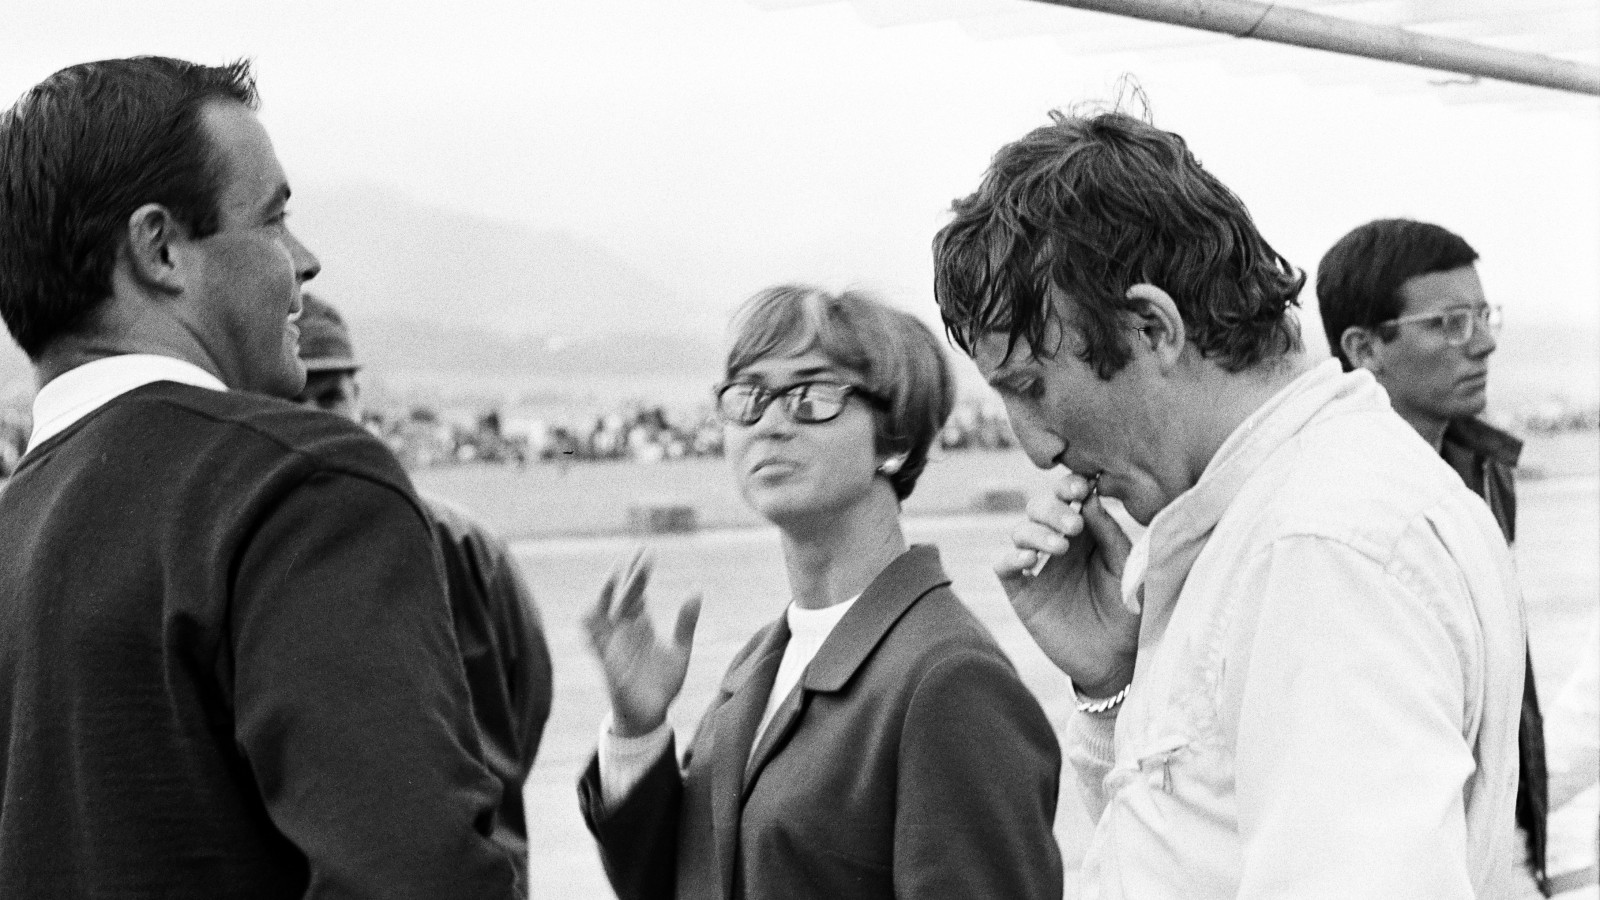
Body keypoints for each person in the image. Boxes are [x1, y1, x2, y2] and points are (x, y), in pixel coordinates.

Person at [932, 109, 1526, 897]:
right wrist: (1115, 687)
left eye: (1031, 387)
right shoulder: (1278, 520)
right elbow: (1194, 849)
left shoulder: (1321, 548)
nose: (1038, 447)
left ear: (1153, 328)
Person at [0, 57, 521, 897]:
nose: (304, 262)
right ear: (161, 248)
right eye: (273, 219)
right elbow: (417, 875)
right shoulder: (300, 488)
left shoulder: (12, 531)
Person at [577, 285, 1063, 900]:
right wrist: (637, 730)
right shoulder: (759, 662)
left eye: (811, 396)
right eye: (748, 397)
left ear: (897, 440)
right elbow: (673, 884)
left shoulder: (949, 679)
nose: (771, 423)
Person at [1317, 217, 1551, 896]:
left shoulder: (1480, 472)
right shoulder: (1340, 512)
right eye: (1450, 323)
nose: (1484, 342)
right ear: (1365, 348)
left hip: (1496, 856)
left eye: (1483, 314)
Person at [289, 291, 554, 881]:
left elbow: (524, 706)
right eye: (291, 400)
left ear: (359, 400)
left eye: (331, 398)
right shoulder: (261, 558)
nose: (315, 419)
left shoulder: (467, 549)